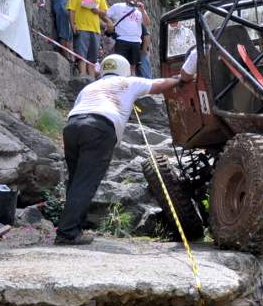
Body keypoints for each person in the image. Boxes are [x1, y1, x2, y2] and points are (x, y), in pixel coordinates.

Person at [54, 54, 183, 245]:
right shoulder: (127, 82)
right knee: (86, 182)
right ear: (124, 69)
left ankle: (75, 226)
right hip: (99, 127)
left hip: (73, 126)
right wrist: (181, 78)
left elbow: (79, 107)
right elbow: (158, 85)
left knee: (76, 181)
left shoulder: (90, 86)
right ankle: (67, 232)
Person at [67, 0, 111, 78]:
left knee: (92, 59)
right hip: (81, 28)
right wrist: (73, 25)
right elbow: (71, 10)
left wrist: (98, 11)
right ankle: (82, 77)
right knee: (81, 56)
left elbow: (105, 12)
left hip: (95, 29)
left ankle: (91, 80)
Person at [106, 0, 150, 76]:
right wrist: (109, 24)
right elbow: (105, 15)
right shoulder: (118, 6)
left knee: (132, 68)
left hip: (136, 42)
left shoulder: (139, 10)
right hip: (122, 39)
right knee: (119, 65)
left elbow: (147, 23)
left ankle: (131, 85)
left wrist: (143, 11)